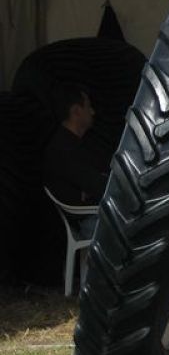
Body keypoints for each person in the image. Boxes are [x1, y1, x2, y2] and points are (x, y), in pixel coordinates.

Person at [43, 83, 109, 239]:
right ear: (76, 111)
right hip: (89, 221)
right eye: (89, 107)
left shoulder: (75, 144)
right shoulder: (63, 148)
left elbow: (99, 178)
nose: (92, 112)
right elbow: (100, 186)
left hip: (93, 214)